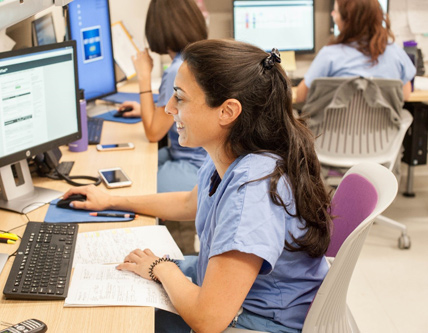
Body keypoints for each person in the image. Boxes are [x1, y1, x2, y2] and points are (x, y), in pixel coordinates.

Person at [63, 39, 333, 333]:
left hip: (258, 324)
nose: (168, 108)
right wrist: (111, 201)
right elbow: (188, 204)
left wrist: (160, 267)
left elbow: (208, 319)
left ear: (227, 112)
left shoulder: (252, 191)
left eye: (180, 97)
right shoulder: (231, 153)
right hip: (234, 304)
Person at [118, 0, 208, 193]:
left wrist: (144, 75)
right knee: (133, 166)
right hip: (199, 158)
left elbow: (153, 133)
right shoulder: (195, 56)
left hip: (194, 165)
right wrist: (146, 111)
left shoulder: (178, 70)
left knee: (136, 184)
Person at [295, 0, 417, 103]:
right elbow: (405, 95)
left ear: (347, 21)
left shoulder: (329, 55)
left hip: (335, 130)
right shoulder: (395, 52)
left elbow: (301, 96)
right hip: (382, 131)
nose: (332, 14)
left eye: (336, 11)